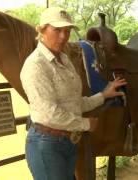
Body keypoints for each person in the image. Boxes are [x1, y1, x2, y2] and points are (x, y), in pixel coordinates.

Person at [20, 7, 127, 180]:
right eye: (57, 30)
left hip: (68, 142)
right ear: (42, 30)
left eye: (67, 31)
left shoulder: (64, 60)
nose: (63, 36)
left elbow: (74, 103)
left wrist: (104, 95)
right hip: (47, 145)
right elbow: (50, 113)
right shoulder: (36, 66)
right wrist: (85, 124)